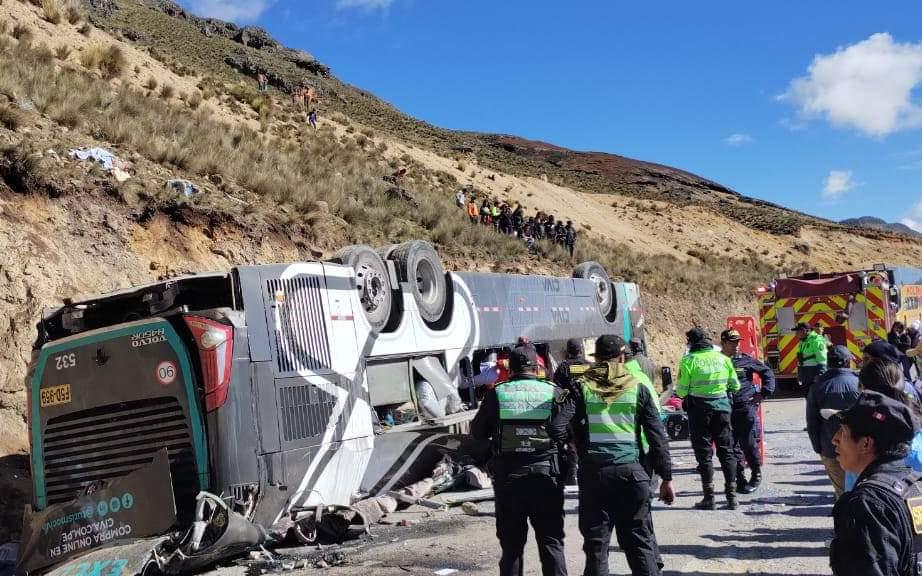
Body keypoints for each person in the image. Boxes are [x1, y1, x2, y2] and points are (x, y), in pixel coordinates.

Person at [549, 335, 674, 576]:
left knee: (596, 547)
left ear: (596, 358)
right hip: (632, 474)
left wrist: (575, 443)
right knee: (639, 543)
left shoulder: (581, 386)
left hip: (594, 475)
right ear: (622, 357)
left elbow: (556, 426)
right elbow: (657, 437)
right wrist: (666, 478)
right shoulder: (638, 386)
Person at [471, 344, 568, 576]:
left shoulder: (497, 393)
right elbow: (567, 431)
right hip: (546, 476)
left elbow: (478, 432)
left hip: (509, 479)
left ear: (510, 368)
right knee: (551, 541)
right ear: (537, 368)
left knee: (512, 547)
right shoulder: (553, 392)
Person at [826, 391, 921, 576]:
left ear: (865, 444)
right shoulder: (915, 485)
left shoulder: (867, 505)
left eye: (843, 431)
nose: (834, 439)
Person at [677, 328, 741, 509]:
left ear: (691, 343)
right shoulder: (723, 359)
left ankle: (709, 498)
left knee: (704, 454)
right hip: (722, 410)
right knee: (726, 452)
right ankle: (732, 497)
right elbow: (735, 386)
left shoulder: (688, 360)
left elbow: (681, 391)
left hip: (699, 412)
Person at [720, 329, 775, 494]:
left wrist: (763, 393)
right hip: (725, 408)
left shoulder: (745, 360)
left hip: (744, 407)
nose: (736, 345)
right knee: (731, 445)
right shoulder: (717, 361)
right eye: (732, 342)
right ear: (723, 343)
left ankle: (756, 473)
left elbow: (767, 373)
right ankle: (739, 478)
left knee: (748, 443)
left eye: (738, 342)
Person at [805, 345, 860, 498]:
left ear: (829, 363)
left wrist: (818, 448)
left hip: (830, 448)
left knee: (842, 492)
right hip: (859, 448)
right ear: (848, 362)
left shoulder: (818, 386)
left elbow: (812, 422)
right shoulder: (860, 383)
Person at [553, 338, 589, 486]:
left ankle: (572, 474)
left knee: (572, 442)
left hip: (569, 411)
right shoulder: (589, 366)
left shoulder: (563, 367)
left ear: (567, 351)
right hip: (588, 410)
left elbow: (557, 391)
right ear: (581, 350)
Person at [796, 322, 827, 390]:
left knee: (815, 394)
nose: (797, 333)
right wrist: (800, 374)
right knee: (808, 394)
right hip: (805, 373)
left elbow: (822, 359)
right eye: (797, 331)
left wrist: (820, 375)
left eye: (800, 331)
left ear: (807, 331)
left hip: (813, 373)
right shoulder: (803, 341)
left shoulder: (816, 340)